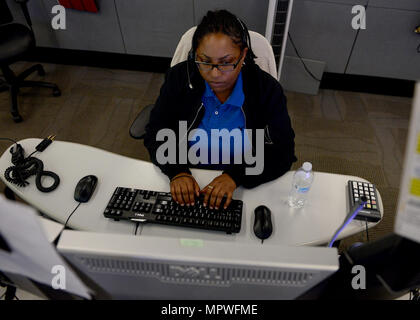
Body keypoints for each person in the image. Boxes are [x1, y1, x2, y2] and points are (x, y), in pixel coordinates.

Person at [144, 10, 297, 211]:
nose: (215, 74)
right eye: (205, 61)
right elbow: (156, 130)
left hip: (242, 180)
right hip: (188, 174)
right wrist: (177, 172)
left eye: (226, 62)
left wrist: (234, 176)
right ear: (194, 54)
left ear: (243, 55)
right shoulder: (179, 78)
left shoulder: (266, 90)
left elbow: (282, 152)